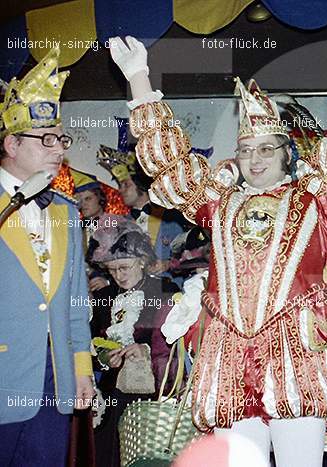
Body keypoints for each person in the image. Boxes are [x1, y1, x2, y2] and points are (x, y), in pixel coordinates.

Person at [107, 0, 327, 465]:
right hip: (229, 356)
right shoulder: (218, 201)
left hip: (295, 353)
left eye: (267, 148)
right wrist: (139, 81)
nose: (256, 158)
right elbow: (171, 165)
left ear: (287, 154)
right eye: (247, 150)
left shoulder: (318, 197)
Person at [0, 46, 95, 466]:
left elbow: (76, 302)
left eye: (62, 139)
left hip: (52, 380)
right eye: (48, 140)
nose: (59, 149)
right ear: (12, 143)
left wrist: (82, 369)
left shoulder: (66, 211)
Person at [87, 216, 180, 467]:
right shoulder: (104, 296)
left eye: (124, 267)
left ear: (141, 261)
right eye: (113, 270)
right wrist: (104, 358)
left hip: (150, 394)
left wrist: (145, 349)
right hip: (110, 395)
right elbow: (91, 343)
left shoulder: (164, 289)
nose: (118, 275)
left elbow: (175, 345)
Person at [97, 144, 188, 276]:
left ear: (140, 184)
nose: (120, 190)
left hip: (169, 290)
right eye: (120, 185)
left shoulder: (172, 216)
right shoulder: (120, 225)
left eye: (125, 185)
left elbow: (195, 253)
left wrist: (168, 264)